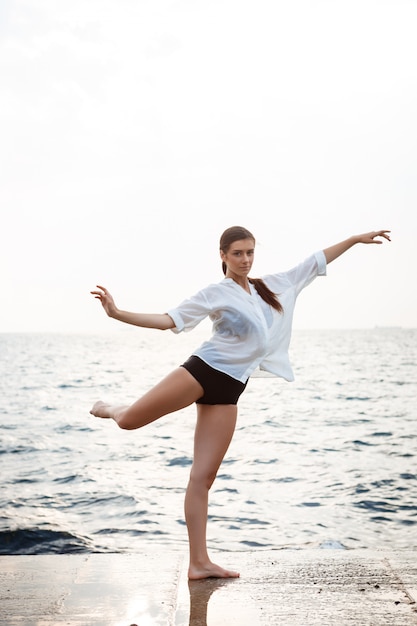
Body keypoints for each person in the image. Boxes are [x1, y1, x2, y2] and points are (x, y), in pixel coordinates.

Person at [90, 226, 391, 579]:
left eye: (250, 252)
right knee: (129, 421)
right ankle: (112, 407)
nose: (245, 259)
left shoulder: (273, 286)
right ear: (223, 256)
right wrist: (116, 312)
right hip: (201, 373)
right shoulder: (217, 292)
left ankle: (199, 563)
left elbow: (315, 261)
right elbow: (168, 321)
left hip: (231, 389)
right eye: (237, 254)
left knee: (203, 478)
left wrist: (355, 240)